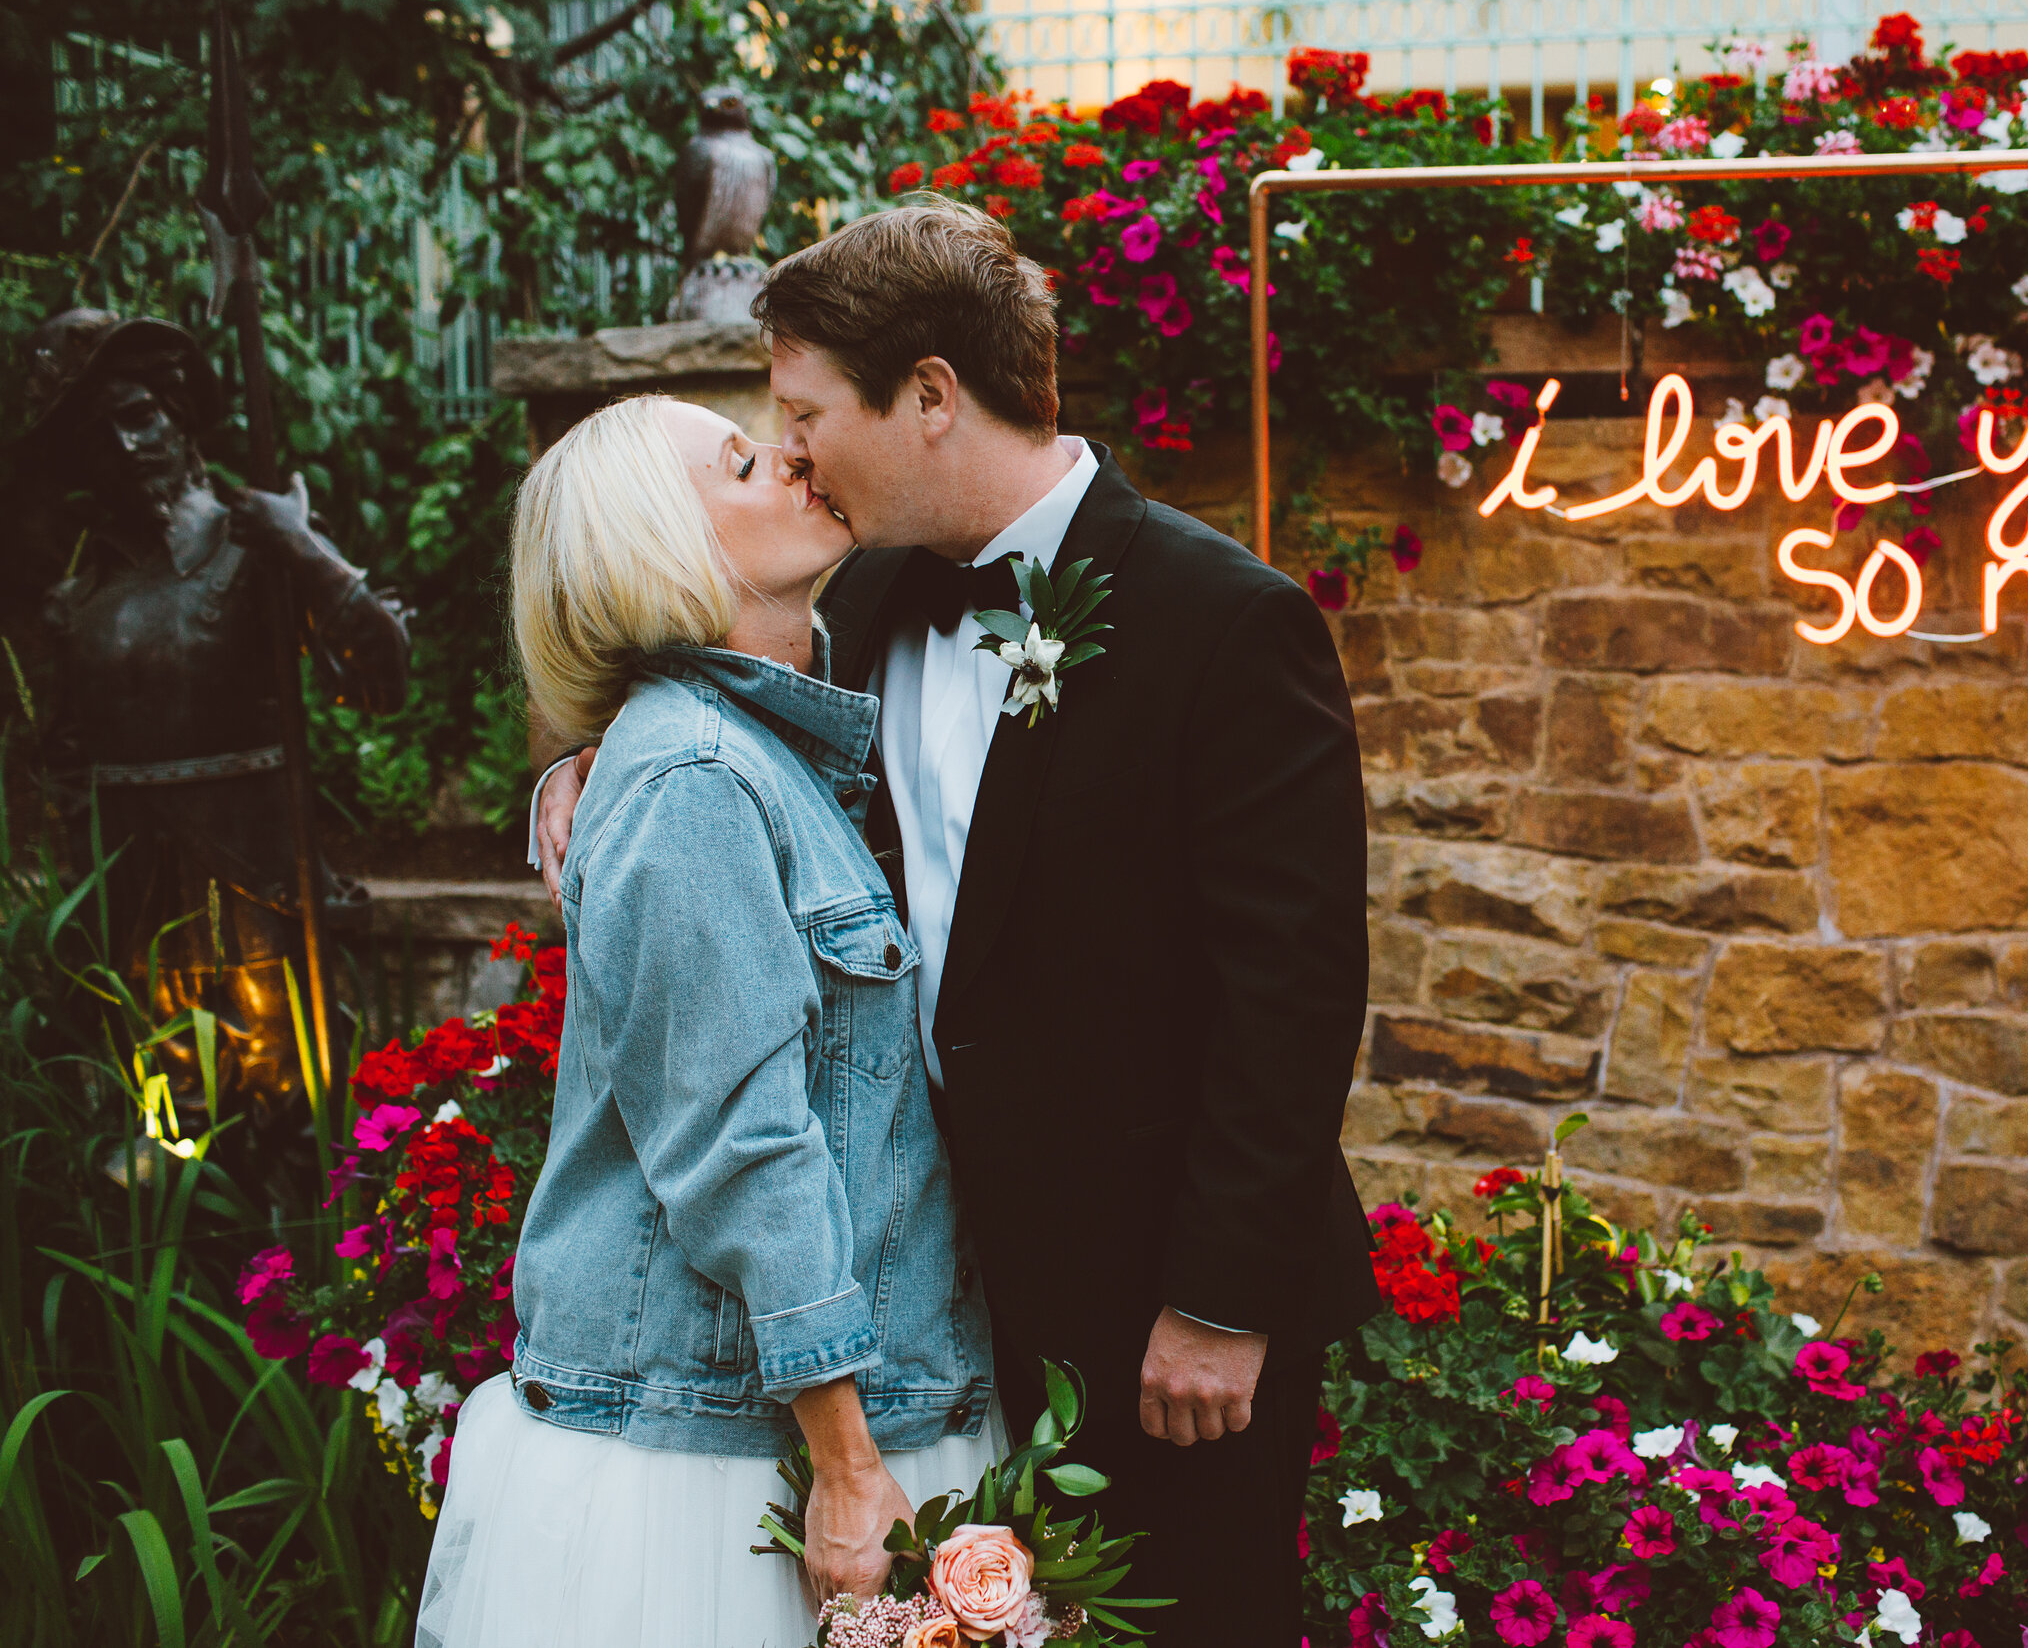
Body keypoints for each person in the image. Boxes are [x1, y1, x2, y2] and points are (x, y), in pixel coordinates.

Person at [534, 198, 1381, 1643]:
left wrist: (1223, 1296)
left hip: (1157, 1303)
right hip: (940, 1303)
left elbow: (1294, 990)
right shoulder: (848, 594)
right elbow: (681, 701)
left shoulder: (1223, 621)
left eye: (805, 413)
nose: (791, 452)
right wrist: (576, 763)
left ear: (929, 396)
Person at [422, 394, 1000, 1648]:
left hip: (825, 1399)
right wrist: (846, 1466)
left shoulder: (762, 745)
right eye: (740, 461)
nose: (789, 454)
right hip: (732, 1448)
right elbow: (741, 1142)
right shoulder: (693, 774)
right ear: (660, 546)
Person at [15, 309, 409, 1145]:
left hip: (262, 896)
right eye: (98, 432)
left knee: (296, 1120)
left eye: (139, 416)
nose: (126, 447)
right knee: (168, 1137)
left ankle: (313, 1274)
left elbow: (383, 676)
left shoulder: (259, 544)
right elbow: (62, 772)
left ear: (178, 413)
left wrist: (306, 550)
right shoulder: (77, 601)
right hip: (139, 913)